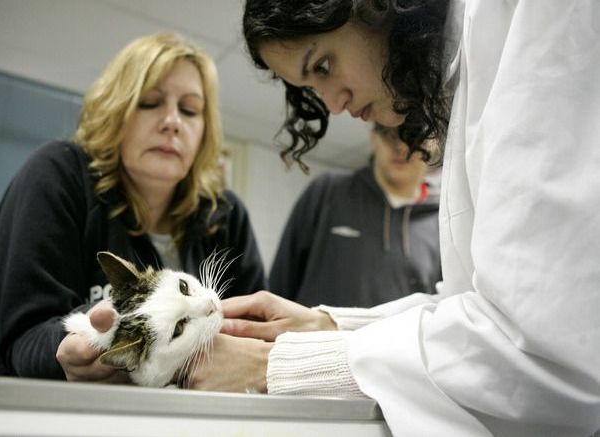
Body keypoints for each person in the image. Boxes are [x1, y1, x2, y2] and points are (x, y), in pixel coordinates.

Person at [186, 1, 600, 437]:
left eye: (324, 64)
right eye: (311, 86)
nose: (333, 104)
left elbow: (543, 359)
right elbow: (474, 308)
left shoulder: (530, 13)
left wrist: (280, 365)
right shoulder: (465, 68)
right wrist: (325, 326)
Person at [0, 32, 267, 381]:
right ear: (116, 110)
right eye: (150, 102)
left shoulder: (225, 215)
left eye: (190, 110)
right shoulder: (57, 175)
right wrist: (86, 342)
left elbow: (253, 328)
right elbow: (23, 340)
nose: (172, 122)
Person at [270, 122, 441, 308]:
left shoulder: (442, 223)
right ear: (374, 138)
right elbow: (280, 283)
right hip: (314, 336)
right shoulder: (328, 191)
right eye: (389, 134)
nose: (400, 147)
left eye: (413, 136)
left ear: (433, 143)